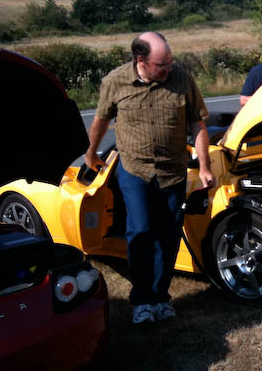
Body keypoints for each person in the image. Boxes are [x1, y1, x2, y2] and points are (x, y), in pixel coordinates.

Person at [84, 32, 216, 324]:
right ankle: (142, 300)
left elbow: (198, 123)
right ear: (140, 60)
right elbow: (102, 119)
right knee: (141, 231)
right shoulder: (115, 81)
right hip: (135, 170)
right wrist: (91, 152)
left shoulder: (182, 79)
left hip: (173, 171)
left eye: (171, 62)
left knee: (168, 236)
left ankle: (160, 297)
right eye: (162, 64)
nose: (169, 68)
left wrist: (204, 166)